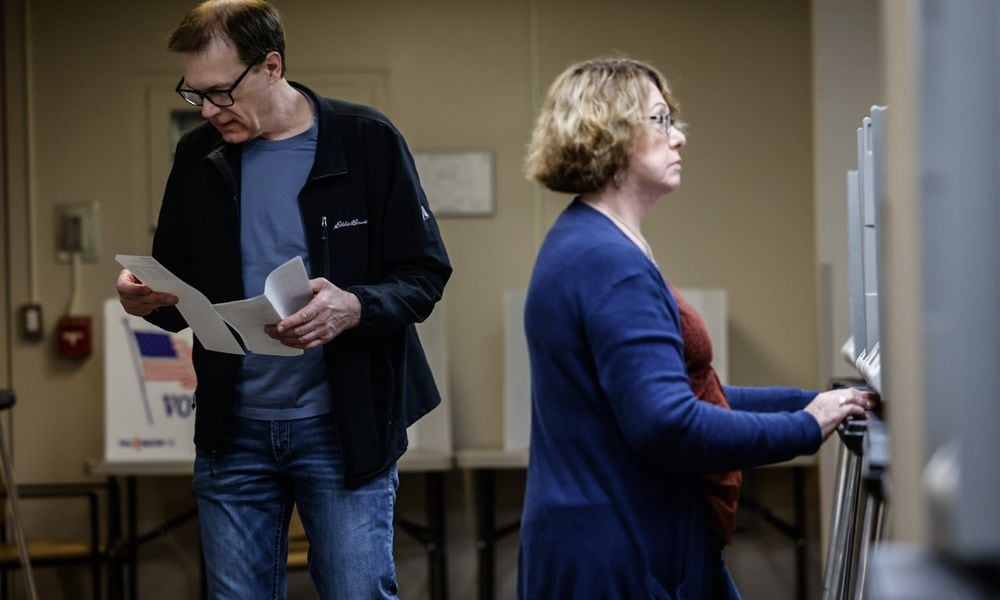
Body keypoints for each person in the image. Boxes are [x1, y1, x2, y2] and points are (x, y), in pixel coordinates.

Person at [115, 1, 450, 598]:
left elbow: (423, 273)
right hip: (233, 428)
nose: (211, 111)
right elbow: (174, 285)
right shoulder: (197, 157)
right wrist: (145, 300)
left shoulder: (366, 140)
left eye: (222, 93)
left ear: (271, 66)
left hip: (342, 425)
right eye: (197, 95)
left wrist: (355, 306)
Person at [518, 57, 875, 599]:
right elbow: (670, 424)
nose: (679, 137)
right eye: (660, 120)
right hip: (618, 555)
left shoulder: (593, 241)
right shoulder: (605, 260)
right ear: (608, 134)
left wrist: (818, 403)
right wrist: (804, 426)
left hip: (618, 537)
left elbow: (683, 395)